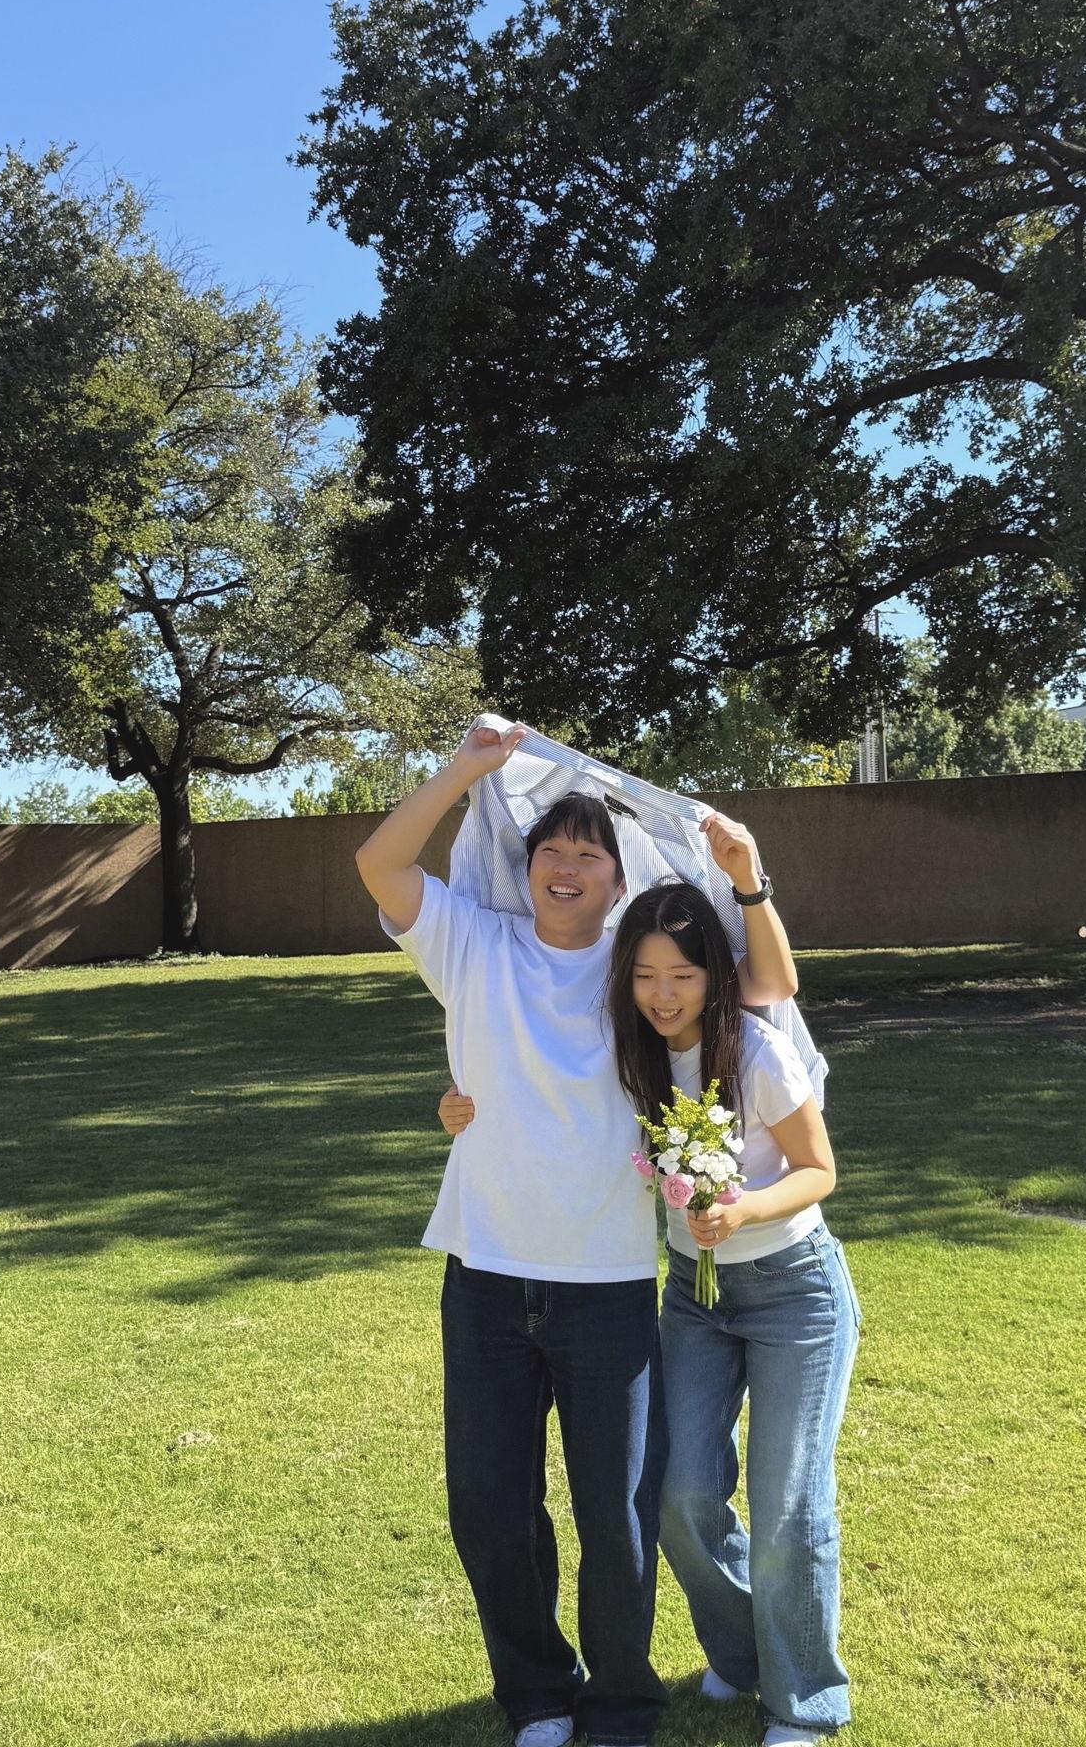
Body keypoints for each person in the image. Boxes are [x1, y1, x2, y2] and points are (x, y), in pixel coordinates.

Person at [359, 721, 795, 1747]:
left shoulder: (639, 972)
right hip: (483, 1276)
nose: (565, 865)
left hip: (607, 1284)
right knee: (490, 1507)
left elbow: (767, 986)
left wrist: (748, 879)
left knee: (618, 1515)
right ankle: (540, 1694)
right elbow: (380, 863)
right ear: (526, 867)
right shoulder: (471, 942)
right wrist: (468, 767)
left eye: (587, 853)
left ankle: (620, 1703)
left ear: (616, 877)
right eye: (548, 849)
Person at [617, 879, 858, 1745]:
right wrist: (459, 1102)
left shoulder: (756, 1049)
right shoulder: (635, 1055)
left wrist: (744, 1208)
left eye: (682, 975)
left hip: (796, 1293)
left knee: (788, 1506)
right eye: (646, 975)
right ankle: (748, 1653)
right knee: (680, 1497)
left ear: (715, 975)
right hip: (694, 1298)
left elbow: (820, 1169)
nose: (663, 994)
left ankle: (805, 1703)